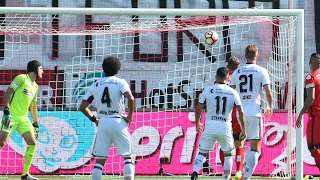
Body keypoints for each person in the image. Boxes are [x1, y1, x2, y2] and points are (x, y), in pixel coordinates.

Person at [80, 56, 135, 180]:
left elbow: (83, 107)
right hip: (118, 121)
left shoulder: (96, 84)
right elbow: (130, 98)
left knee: (99, 161)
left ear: (103, 69)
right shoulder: (120, 82)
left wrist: (95, 120)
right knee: (128, 157)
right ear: (118, 68)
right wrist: (130, 117)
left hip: (103, 122)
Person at [191, 67, 247, 180]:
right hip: (225, 126)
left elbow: (198, 108)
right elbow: (240, 112)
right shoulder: (233, 92)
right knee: (228, 154)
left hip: (210, 125)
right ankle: (226, 178)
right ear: (228, 78)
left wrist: (198, 123)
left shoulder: (207, 90)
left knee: (202, 152)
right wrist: (244, 129)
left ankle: (195, 173)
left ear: (216, 78)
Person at [230, 44, 273, 180]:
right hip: (254, 113)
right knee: (255, 148)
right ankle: (246, 177)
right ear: (257, 56)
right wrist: (270, 106)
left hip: (239, 113)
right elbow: (268, 92)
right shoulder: (261, 71)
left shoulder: (237, 72)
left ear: (245, 56)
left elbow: (231, 93)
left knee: (242, 144)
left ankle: (240, 173)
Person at [0, 60, 43, 180]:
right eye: (41, 68)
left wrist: (36, 123)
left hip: (23, 119)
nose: (42, 71)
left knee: (32, 143)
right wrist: (7, 110)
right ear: (35, 68)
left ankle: (25, 175)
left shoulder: (35, 86)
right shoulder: (21, 78)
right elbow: (8, 92)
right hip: (11, 116)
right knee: (1, 143)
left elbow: (33, 106)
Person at [218, 56, 244, 180]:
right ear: (239, 67)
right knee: (239, 143)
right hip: (238, 112)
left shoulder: (222, 78)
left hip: (224, 114)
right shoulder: (241, 76)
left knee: (224, 145)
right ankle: (239, 171)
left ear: (227, 66)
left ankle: (226, 174)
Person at [296, 53, 320, 171]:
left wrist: (301, 113)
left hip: (316, 115)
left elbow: (311, 98)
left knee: (313, 147)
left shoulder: (311, 77)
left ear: (310, 63)